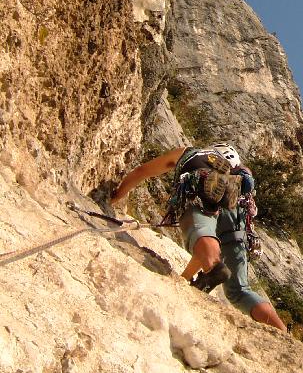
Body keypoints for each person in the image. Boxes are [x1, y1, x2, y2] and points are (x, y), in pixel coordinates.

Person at [111, 142, 286, 331]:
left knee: (201, 225)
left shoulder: (190, 153)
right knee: (239, 291)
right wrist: (185, 277)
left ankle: (212, 267)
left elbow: (142, 171)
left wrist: (114, 197)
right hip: (237, 213)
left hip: (203, 186)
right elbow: (204, 251)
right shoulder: (239, 170)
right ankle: (283, 333)